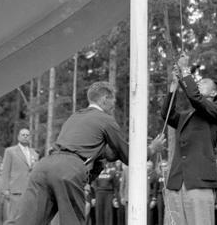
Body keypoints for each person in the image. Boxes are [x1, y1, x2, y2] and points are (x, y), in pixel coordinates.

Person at [14, 81, 165, 225]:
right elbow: (128, 156)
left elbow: (104, 153)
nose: (114, 105)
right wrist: (152, 148)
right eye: (113, 100)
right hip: (68, 169)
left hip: (43, 166)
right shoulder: (106, 120)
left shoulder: (75, 116)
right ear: (105, 98)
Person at [161, 55, 217, 225]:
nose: (199, 83)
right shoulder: (186, 115)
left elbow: (196, 99)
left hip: (199, 182)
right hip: (177, 182)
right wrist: (174, 86)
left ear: (213, 93)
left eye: (204, 82)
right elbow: (166, 115)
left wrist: (185, 71)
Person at [2, 129, 38, 225]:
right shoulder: (10, 151)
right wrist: (5, 189)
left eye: (27, 135)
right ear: (18, 137)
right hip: (16, 191)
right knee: (13, 219)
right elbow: (5, 171)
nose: (25, 136)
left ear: (30, 138)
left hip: (31, 191)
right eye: (23, 135)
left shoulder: (34, 153)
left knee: (28, 219)